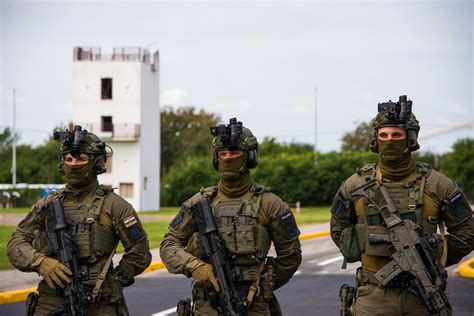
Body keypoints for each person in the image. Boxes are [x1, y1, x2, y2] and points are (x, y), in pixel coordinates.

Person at [330, 95, 473, 315]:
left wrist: (434, 256)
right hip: (373, 295)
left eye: (396, 135)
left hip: (422, 295)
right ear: (375, 139)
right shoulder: (354, 185)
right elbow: (338, 229)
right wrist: (362, 243)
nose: (390, 140)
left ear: (410, 139)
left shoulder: (439, 185)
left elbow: (467, 233)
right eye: (384, 135)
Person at [160, 118, 302, 315]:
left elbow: (290, 256)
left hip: (254, 305)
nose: (228, 158)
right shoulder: (199, 203)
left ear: (249, 157)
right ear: (215, 159)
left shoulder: (270, 204)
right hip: (207, 305)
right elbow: (169, 244)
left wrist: (261, 284)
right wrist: (195, 266)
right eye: (222, 153)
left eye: (234, 153)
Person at [7, 126, 152, 315]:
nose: (74, 163)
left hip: (100, 303)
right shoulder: (48, 204)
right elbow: (16, 243)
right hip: (51, 300)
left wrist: (112, 282)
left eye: (81, 158)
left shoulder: (114, 205)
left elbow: (140, 252)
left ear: (96, 163)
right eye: (69, 159)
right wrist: (41, 262)